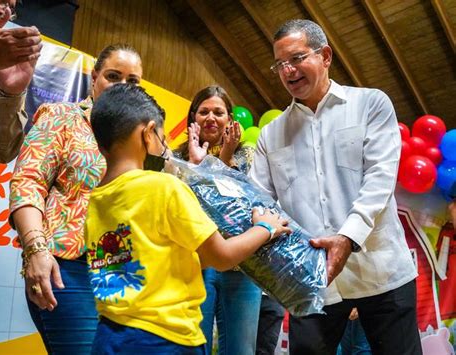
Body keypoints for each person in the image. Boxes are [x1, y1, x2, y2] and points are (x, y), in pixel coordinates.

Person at [249, 19, 421, 355]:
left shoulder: (371, 104)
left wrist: (348, 238)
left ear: (325, 55)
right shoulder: (272, 135)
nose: (288, 71)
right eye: (280, 64)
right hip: (314, 283)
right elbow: (262, 202)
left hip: (382, 271)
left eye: (297, 58)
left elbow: (380, 179)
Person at [85, 83, 291, 354]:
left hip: (110, 335)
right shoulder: (164, 187)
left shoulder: (95, 201)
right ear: (148, 134)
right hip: (167, 339)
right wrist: (266, 228)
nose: (165, 146)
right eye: (161, 137)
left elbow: (166, 254)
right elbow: (222, 256)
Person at [9, 43, 142, 354]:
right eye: (113, 76)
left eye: (133, 81)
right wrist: (36, 251)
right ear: (94, 77)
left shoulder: (136, 142)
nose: (123, 86)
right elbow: (28, 182)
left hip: (119, 273)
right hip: (66, 268)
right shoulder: (61, 116)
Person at [175, 85, 262, 355]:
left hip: (241, 266)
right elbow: (180, 207)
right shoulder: (177, 157)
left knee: (242, 350)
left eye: (218, 112)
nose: (210, 117)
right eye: (203, 112)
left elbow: (243, 204)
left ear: (230, 119)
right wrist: (194, 165)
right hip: (194, 264)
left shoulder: (247, 155)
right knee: (193, 346)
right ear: (192, 118)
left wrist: (225, 157)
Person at [0, 0, 41, 190]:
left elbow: (3, 152)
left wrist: (11, 93)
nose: (5, 10)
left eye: (11, 7)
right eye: (1, 0)